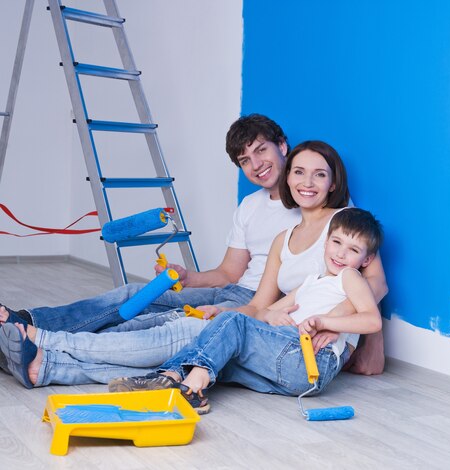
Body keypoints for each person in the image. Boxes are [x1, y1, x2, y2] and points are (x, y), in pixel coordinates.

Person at [0, 140, 387, 388]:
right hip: (268, 326)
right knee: (173, 342)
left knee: (174, 336)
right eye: (299, 173)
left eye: (319, 174)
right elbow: (260, 305)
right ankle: (48, 365)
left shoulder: (344, 227)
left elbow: (372, 286)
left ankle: (41, 339)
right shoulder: (281, 237)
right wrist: (225, 311)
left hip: (298, 342)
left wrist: (343, 329)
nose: (306, 182)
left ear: (333, 182)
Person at [0, 114, 299, 335]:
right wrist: (186, 276)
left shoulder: (316, 205)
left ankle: (35, 342)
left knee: (147, 325)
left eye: (261, 150)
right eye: (245, 160)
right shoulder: (250, 206)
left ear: (282, 146)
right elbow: (228, 273)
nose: (256, 164)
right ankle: (25, 321)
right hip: (231, 291)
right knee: (133, 295)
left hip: (256, 304)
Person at [109, 208, 384, 414]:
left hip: (311, 360)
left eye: (353, 249)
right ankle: (175, 380)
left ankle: (185, 385)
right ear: (326, 243)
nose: (341, 254)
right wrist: (271, 315)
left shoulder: (349, 277)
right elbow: (264, 312)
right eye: (336, 243)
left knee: (234, 321)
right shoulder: (312, 282)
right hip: (289, 360)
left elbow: (372, 321)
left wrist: (326, 322)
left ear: (366, 259)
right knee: (222, 353)